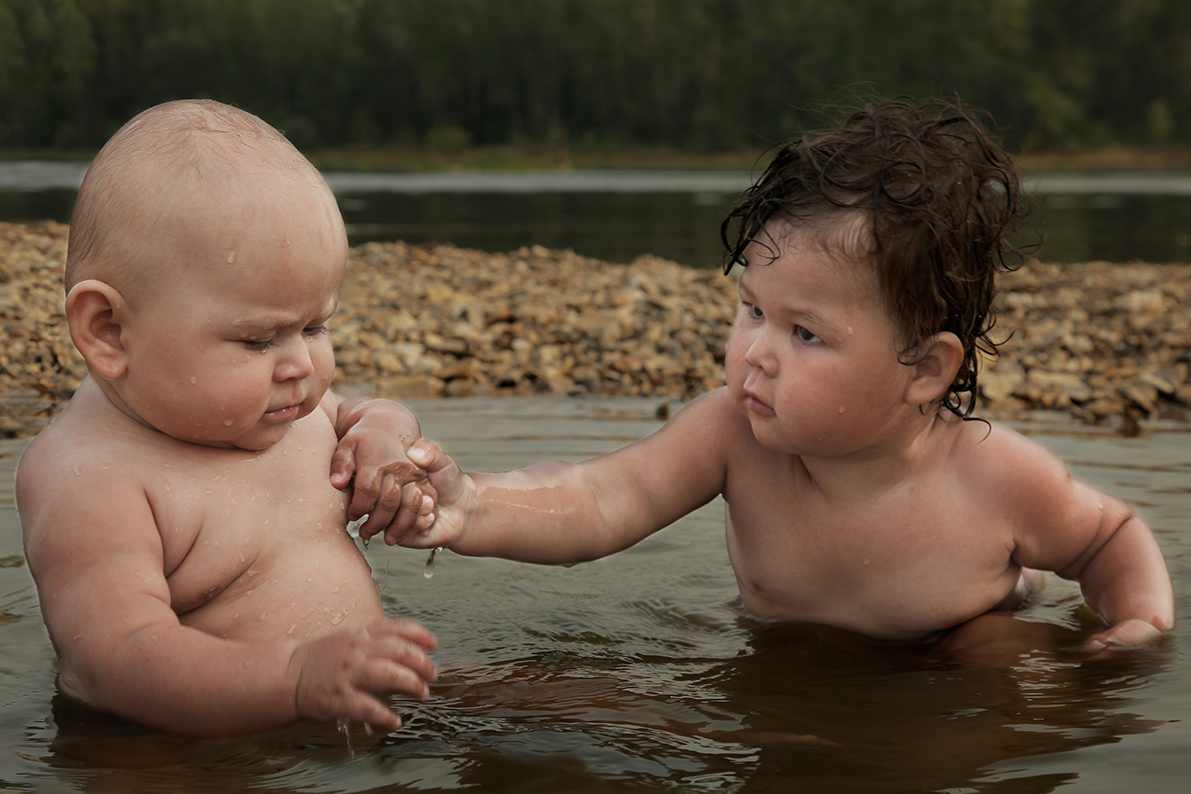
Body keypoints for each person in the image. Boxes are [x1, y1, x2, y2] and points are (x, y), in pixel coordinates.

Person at [387, 98, 1174, 651]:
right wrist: (471, 505)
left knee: (998, 660)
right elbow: (600, 499)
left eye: (805, 333)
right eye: (752, 311)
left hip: (957, 635)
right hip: (784, 646)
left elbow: (1110, 536)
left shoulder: (997, 477)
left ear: (924, 371)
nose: (756, 352)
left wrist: (1136, 622)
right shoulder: (735, 434)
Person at [16, 99, 441, 739]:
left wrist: (382, 441)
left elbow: (372, 410)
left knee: (560, 701)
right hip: (170, 744)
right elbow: (113, 660)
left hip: (347, 696)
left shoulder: (283, 410)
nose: (301, 363)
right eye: (256, 340)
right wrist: (292, 678)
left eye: (315, 325)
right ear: (109, 331)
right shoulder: (91, 478)